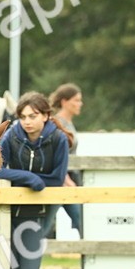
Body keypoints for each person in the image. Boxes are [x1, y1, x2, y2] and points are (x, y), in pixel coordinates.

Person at [0, 91, 70, 269]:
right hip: (11, 213)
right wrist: (28, 178)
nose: (27, 121)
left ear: (46, 116)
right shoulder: (11, 136)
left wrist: (34, 181)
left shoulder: (58, 139)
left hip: (40, 214)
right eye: (23, 116)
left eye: (33, 116)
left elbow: (57, 179)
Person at [49, 83, 83, 238]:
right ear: (64, 102)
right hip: (63, 178)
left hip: (72, 176)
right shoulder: (58, 123)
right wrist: (66, 179)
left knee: (81, 219)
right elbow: (55, 154)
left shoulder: (68, 123)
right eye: (76, 100)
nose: (80, 104)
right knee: (80, 220)